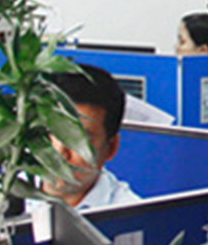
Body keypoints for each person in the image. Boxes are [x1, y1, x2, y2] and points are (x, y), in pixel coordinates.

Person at [42, 68, 139, 210]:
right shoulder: (9, 189)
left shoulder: (130, 216)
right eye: (49, 132)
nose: (59, 152)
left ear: (111, 148)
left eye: (78, 140)